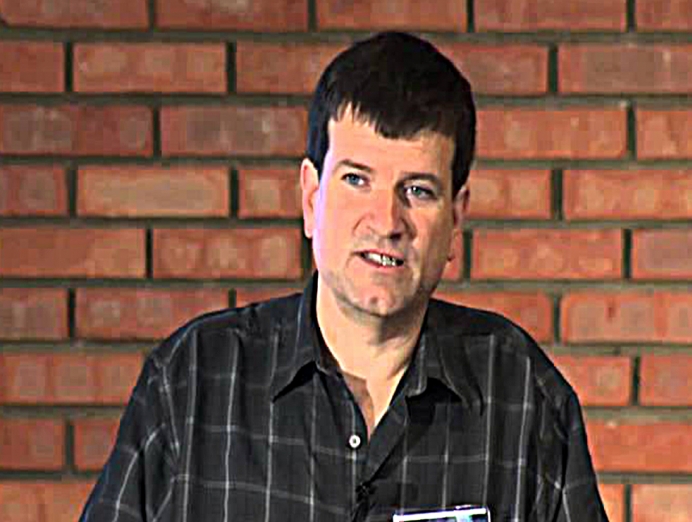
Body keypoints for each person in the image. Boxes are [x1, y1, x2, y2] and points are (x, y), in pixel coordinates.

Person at [80, 31, 609, 522]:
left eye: (418, 191)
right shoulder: (192, 381)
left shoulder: (523, 395)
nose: (386, 222)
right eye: (357, 180)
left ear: (455, 219)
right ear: (312, 199)